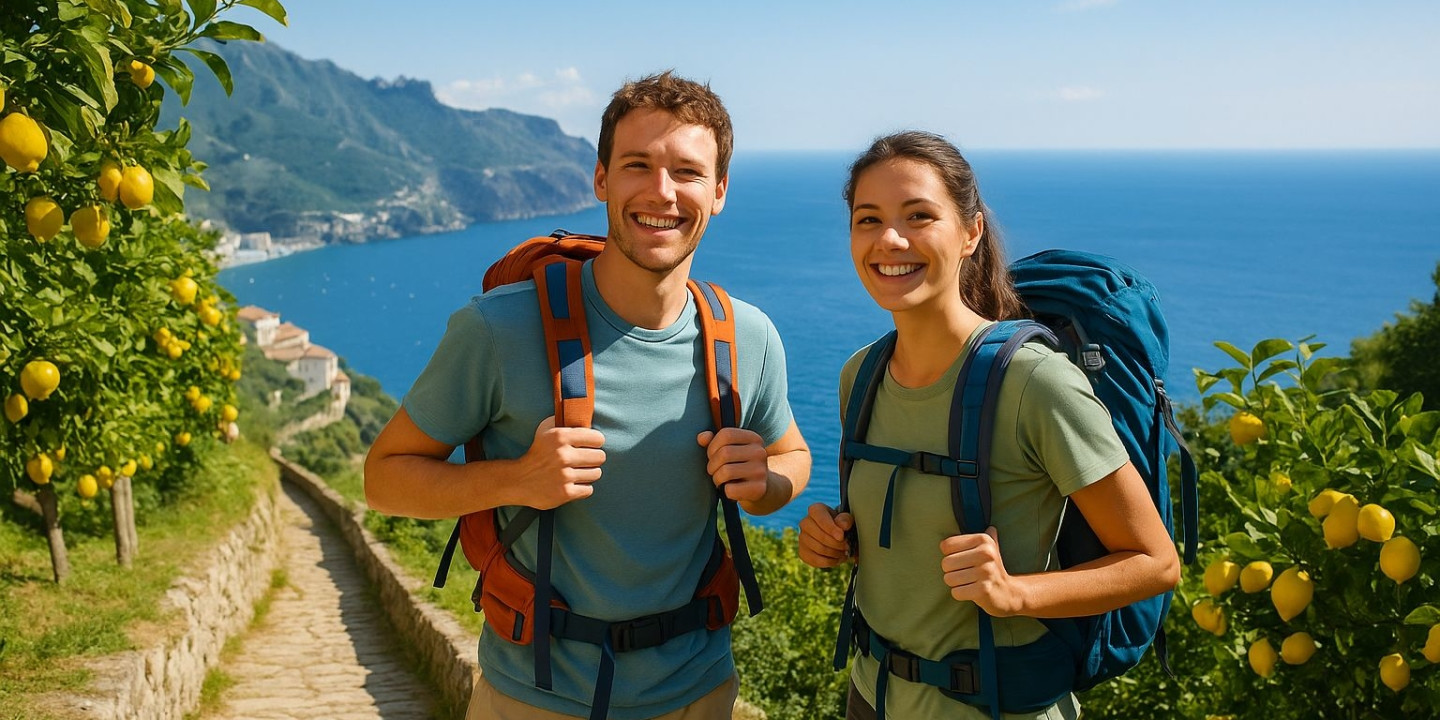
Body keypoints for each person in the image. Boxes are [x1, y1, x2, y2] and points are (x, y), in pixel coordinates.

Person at [365, 71, 812, 720]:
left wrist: (766, 483)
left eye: (687, 172)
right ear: (601, 180)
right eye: (638, 165)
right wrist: (517, 479)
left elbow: (791, 453)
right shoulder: (498, 329)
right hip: (533, 697)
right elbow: (384, 479)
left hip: (700, 692)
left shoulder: (749, 336)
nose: (662, 191)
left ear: (718, 192)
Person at [797, 131, 1179, 720]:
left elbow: (1155, 562)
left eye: (918, 215)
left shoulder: (1034, 383)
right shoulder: (862, 375)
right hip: (871, 696)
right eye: (867, 219)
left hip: (995, 706)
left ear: (970, 232)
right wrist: (835, 539)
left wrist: (1016, 592)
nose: (889, 239)